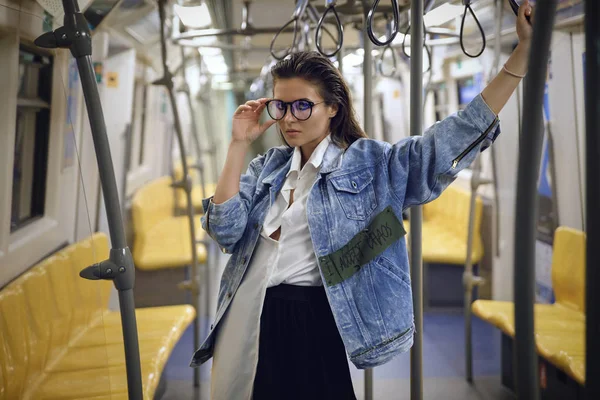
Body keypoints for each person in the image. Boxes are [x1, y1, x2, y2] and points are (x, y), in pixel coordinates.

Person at [191, 1, 534, 399]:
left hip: (314, 315)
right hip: (251, 314)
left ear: (333, 108)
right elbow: (226, 231)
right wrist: (237, 144)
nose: (289, 119)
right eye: (281, 106)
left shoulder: (370, 165)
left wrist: (521, 56)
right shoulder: (268, 167)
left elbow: (445, 145)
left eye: (303, 105)